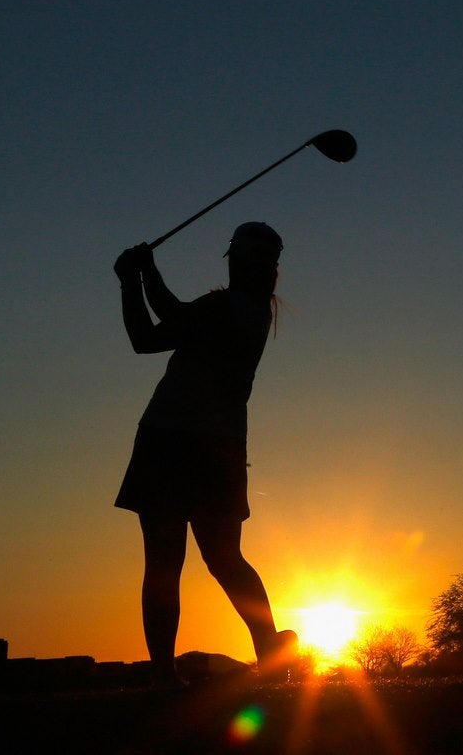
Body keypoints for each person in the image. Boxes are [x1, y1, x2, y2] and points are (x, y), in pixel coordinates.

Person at [113, 222, 297, 685]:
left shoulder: (231, 308)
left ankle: (163, 671)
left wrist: (140, 273)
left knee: (165, 561)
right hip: (215, 446)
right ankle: (266, 646)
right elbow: (145, 338)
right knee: (223, 558)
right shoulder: (247, 310)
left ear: (238, 261)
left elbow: (166, 318)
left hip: (170, 438)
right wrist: (132, 281)